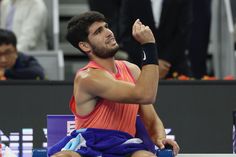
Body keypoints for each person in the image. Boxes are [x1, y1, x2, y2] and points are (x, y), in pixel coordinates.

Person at [48, 11, 179, 157]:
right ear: (85, 46)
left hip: (124, 145)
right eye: (98, 31)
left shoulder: (132, 70)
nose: (108, 33)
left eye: (106, 26)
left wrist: (161, 139)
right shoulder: (88, 77)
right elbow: (145, 94)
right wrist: (148, 45)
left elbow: (151, 120)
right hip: (88, 144)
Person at [119, 0, 193, 79]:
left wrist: (163, 62)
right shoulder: (130, 2)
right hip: (139, 67)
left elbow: (184, 33)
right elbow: (126, 36)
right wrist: (151, 62)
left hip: (174, 66)